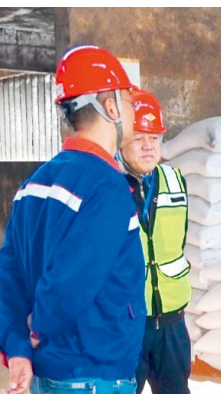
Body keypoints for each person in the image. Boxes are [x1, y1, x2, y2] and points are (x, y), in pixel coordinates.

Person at [0, 45, 145, 394]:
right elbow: (72, 279)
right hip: (93, 375)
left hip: (49, 374)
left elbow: (8, 277)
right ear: (111, 107)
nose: (133, 111)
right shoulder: (107, 186)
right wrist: (36, 328)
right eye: (128, 100)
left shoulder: (33, 184)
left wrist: (18, 348)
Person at [118, 88, 192, 394]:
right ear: (121, 140)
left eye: (155, 138)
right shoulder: (108, 185)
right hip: (127, 321)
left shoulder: (176, 181)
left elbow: (179, 240)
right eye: (139, 138)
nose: (148, 146)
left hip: (172, 321)